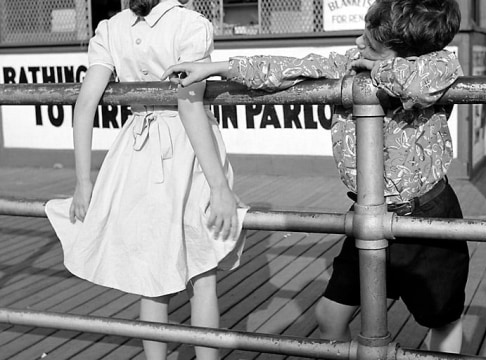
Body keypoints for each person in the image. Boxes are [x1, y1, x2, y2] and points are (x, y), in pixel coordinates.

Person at [162, 0, 468, 353]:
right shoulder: (351, 65)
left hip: (426, 219)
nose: (358, 43)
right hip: (368, 212)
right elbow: (289, 68)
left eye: (371, 40)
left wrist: (377, 72)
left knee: (442, 319)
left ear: (404, 48)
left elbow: (419, 86)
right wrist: (216, 67)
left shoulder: (439, 64)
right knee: (329, 316)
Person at [45, 1, 248, 359]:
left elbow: (85, 103)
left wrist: (83, 181)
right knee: (203, 276)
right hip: (191, 149)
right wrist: (219, 187)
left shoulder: (111, 28)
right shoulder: (190, 24)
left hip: (136, 151)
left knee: (149, 278)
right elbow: (189, 103)